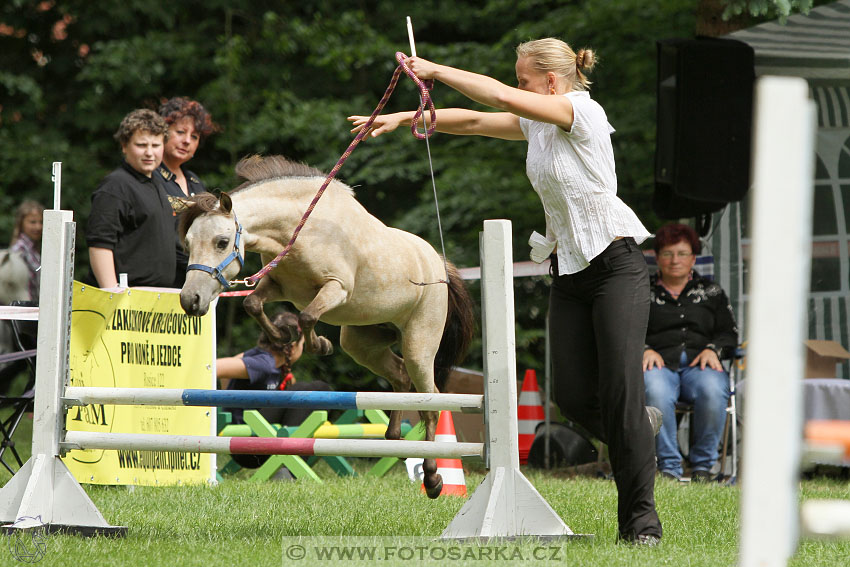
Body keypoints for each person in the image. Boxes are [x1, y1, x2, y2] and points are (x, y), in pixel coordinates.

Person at [349, 38, 661, 544]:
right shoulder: (538, 125)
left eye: (523, 79)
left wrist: (436, 69)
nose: (517, 86)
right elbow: (473, 120)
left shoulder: (579, 110)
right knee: (574, 396)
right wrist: (403, 117)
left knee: (620, 393)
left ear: (552, 82)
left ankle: (641, 526)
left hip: (617, 265)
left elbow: (495, 98)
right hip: (570, 270)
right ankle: (638, 431)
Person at [643, 223, 737, 482]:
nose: (675, 260)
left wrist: (713, 349)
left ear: (693, 258)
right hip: (659, 366)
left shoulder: (712, 292)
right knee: (655, 391)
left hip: (701, 367)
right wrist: (644, 349)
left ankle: (703, 469)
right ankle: (669, 469)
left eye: (682, 253)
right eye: (667, 253)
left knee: (712, 390)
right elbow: (625, 330)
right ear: (657, 257)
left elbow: (730, 333)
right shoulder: (642, 292)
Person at [217, 311, 332, 470]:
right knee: (317, 389)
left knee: (303, 390)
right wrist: (227, 401)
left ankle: (288, 462)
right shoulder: (263, 364)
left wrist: (228, 397)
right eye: (302, 344)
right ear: (292, 346)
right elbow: (213, 367)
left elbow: (226, 372)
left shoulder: (271, 364)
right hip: (248, 445)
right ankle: (289, 466)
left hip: (253, 443)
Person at [86, 109, 175, 288]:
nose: (149, 153)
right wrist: (111, 294)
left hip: (158, 299)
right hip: (126, 300)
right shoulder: (115, 186)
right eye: (141, 145)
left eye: (156, 145)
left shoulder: (158, 183)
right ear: (124, 146)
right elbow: (99, 245)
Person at [155, 97, 219, 287]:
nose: (186, 141)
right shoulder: (150, 178)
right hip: (158, 283)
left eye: (194, 137)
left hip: (193, 282)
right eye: (180, 132)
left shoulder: (196, 182)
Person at [9, 200, 44, 302]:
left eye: (41, 222)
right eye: (32, 222)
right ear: (21, 223)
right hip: (24, 309)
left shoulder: (33, 250)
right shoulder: (19, 250)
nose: (38, 227)